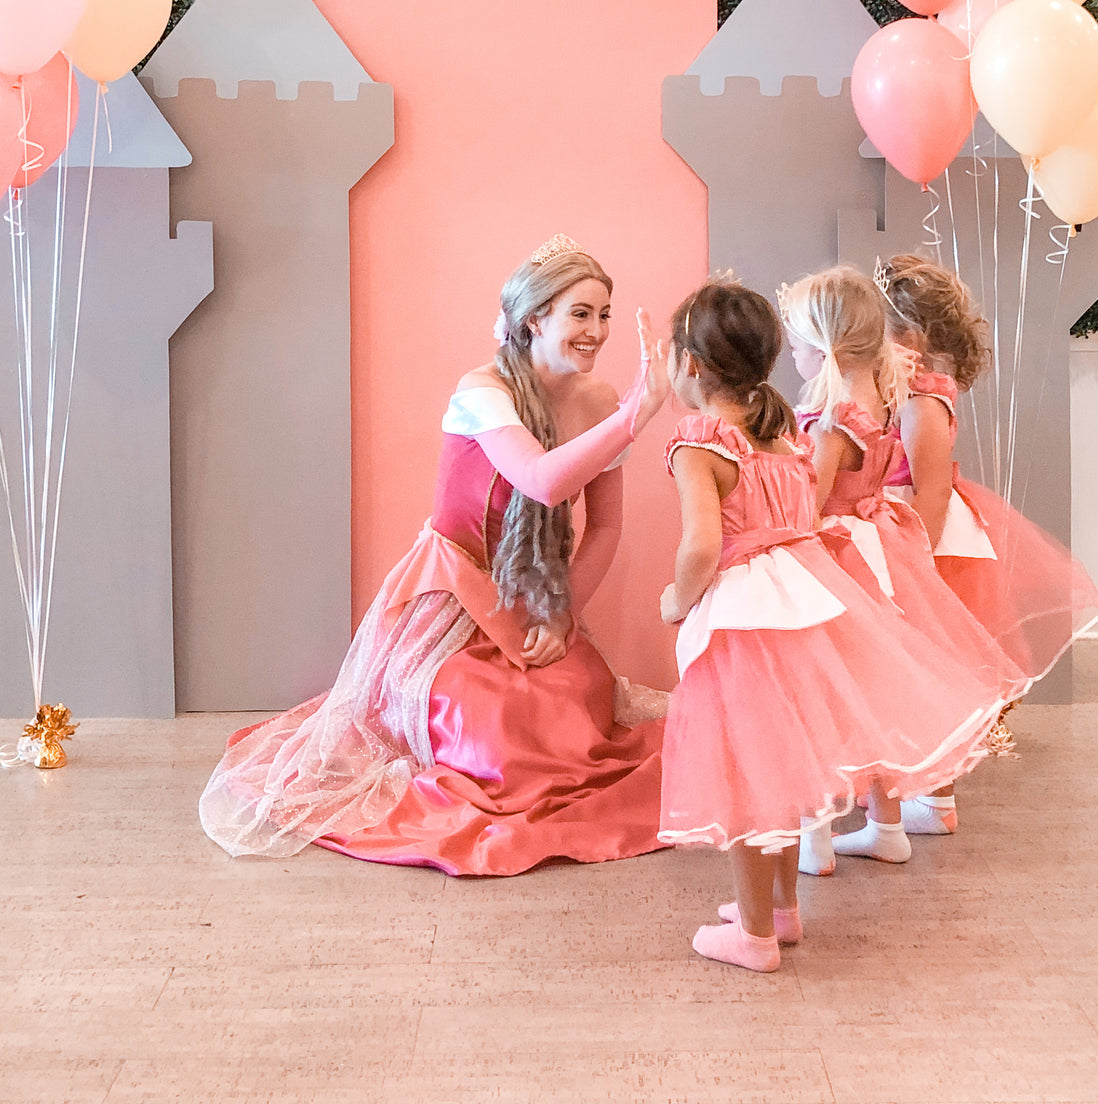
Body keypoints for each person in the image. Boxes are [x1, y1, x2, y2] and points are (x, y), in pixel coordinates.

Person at [199, 234, 670, 876]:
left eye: (604, 315)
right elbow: (541, 480)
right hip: (452, 596)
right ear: (535, 320)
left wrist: (562, 620)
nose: (597, 330)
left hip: (531, 598)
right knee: (491, 724)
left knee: (574, 698)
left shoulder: (597, 402)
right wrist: (635, 417)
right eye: (580, 313)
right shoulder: (483, 389)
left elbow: (605, 529)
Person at [656, 280, 1004, 973]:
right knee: (784, 768)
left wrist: (675, 597)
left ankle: (753, 935)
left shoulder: (699, 440)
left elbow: (701, 545)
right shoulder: (781, 434)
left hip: (744, 621)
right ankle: (781, 911)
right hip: (806, 602)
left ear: (689, 364)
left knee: (748, 778)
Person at [781, 266, 1027, 870]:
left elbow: (810, 504)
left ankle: (815, 833)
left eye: (795, 345)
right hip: (878, 543)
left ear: (825, 346)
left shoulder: (842, 416)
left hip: (851, 549)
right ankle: (885, 823)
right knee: (882, 685)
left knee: (830, 692)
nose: (790, 355)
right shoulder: (883, 404)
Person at [877, 253, 1098, 834]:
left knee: (926, 672)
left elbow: (927, 491)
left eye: (878, 329)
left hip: (925, 540)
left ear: (913, 337)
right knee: (921, 672)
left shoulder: (921, 402)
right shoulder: (915, 393)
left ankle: (929, 797)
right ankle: (931, 798)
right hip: (909, 528)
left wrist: (914, 563)